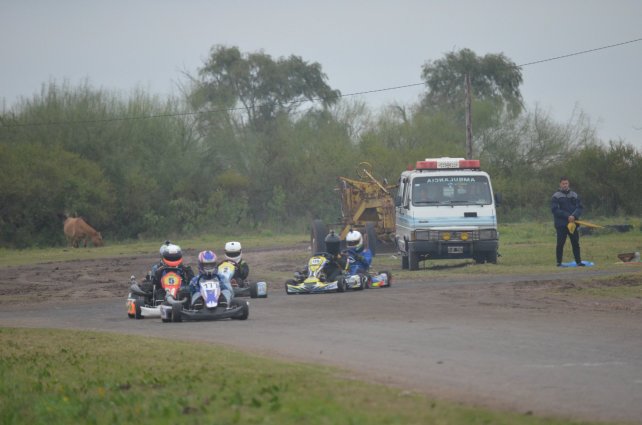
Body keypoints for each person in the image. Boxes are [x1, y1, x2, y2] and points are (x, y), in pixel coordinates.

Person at [551, 177, 584, 267]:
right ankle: (559, 263)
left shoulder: (574, 195)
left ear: (568, 184)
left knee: (575, 243)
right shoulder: (556, 196)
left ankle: (578, 262)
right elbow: (555, 210)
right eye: (563, 183)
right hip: (561, 224)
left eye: (566, 183)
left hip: (573, 223)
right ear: (560, 184)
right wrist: (567, 216)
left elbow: (580, 207)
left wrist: (574, 216)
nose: (565, 185)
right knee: (560, 243)